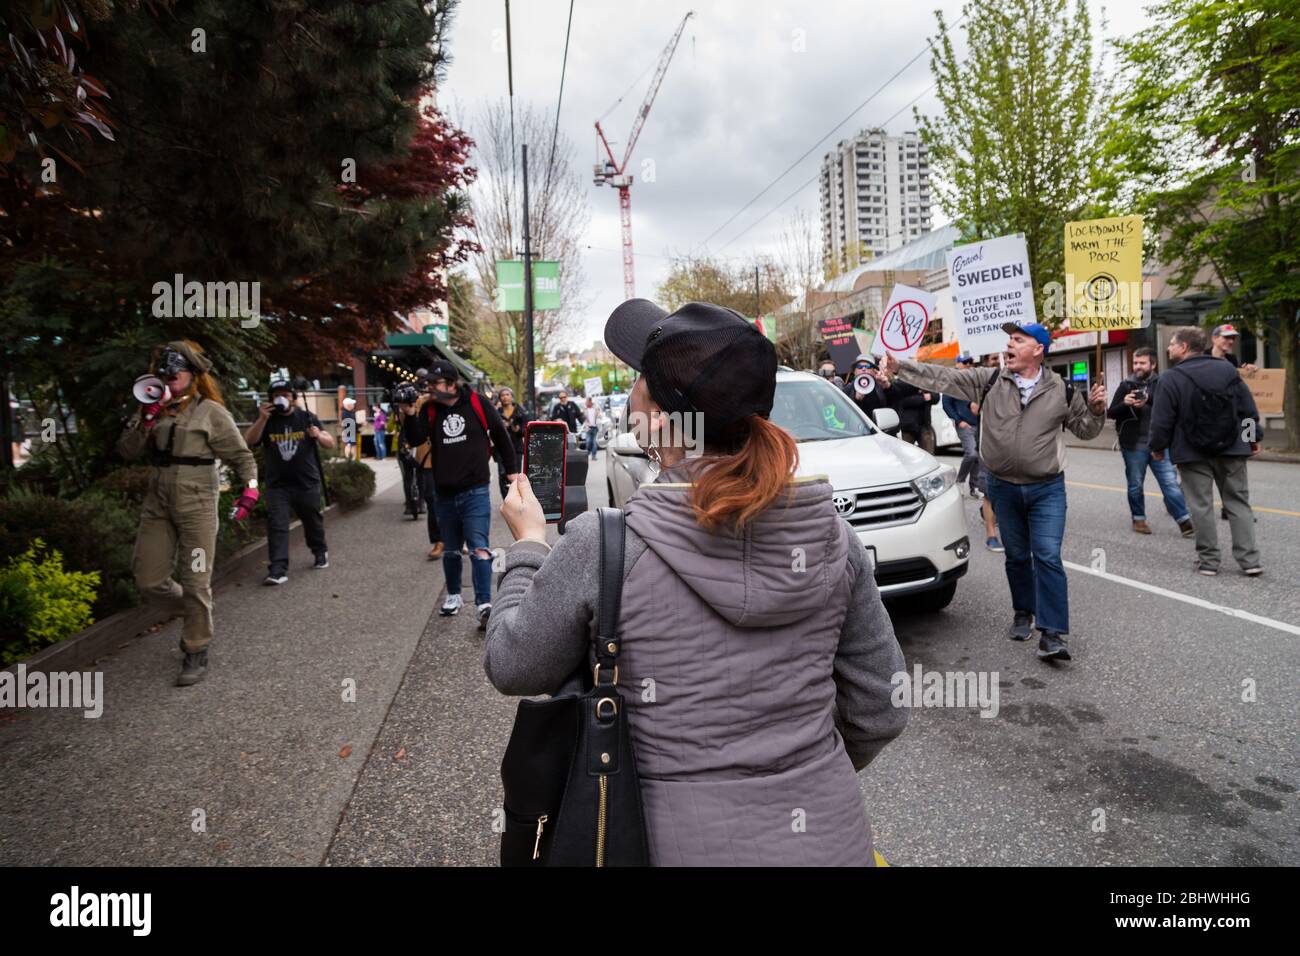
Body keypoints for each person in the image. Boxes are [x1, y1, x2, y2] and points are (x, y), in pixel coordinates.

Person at [486, 298, 907, 866]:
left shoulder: (606, 544)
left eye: (641, 378)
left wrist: (529, 548)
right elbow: (880, 706)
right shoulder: (836, 540)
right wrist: (793, 769)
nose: (634, 389)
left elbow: (513, 664)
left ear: (656, 418)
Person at [882, 321, 1106, 662]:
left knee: (1046, 555)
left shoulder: (1063, 390)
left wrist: (1098, 410)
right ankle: (1022, 613)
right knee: (1017, 556)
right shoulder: (987, 380)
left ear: (1038, 349)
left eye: (1018, 340)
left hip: (1047, 489)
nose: (1010, 345)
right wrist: (902, 367)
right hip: (1002, 486)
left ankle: (1053, 634)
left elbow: (1087, 431)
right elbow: (943, 378)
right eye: (1009, 340)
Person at [116, 341, 258, 686]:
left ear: (193, 376)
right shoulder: (151, 408)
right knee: (148, 578)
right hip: (159, 501)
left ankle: (195, 646)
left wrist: (250, 490)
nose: (169, 379)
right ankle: (196, 611)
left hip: (197, 502)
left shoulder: (210, 412)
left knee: (196, 578)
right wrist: (144, 420)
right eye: (164, 373)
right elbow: (126, 452)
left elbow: (242, 457)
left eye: (176, 373)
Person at [409, 359, 518, 627]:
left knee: (479, 547)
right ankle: (454, 595)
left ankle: (483, 603)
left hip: (475, 490)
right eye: (429, 384)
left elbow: (502, 437)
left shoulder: (477, 403)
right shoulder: (430, 410)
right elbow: (414, 440)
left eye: (435, 384)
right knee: (451, 551)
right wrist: (410, 412)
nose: (431, 389)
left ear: (451, 383)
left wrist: (511, 472)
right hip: (444, 493)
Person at [1147, 326, 1262, 577]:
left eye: (1173, 344)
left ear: (1184, 347)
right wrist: (1252, 439)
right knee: (1238, 503)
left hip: (1191, 452)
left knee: (1201, 506)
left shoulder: (1170, 378)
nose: (1169, 348)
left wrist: (1157, 448)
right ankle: (1249, 560)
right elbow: (1247, 409)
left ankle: (1209, 561)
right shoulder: (1227, 370)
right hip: (1232, 447)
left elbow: (1162, 420)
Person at [243, 377, 335, 585]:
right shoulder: (267, 420)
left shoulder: (307, 418)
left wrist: (317, 435)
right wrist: (262, 419)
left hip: (306, 482)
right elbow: (249, 441)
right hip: (278, 485)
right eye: (276, 396)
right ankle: (277, 568)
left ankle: (320, 551)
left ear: (293, 398)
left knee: (312, 521)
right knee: (277, 524)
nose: (281, 399)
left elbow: (329, 443)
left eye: (285, 395)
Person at [1106, 347, 1194, 538]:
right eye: (1135, 363)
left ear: (1152, 364)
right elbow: (1111, 412)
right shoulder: (1126, 385)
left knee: (1170, 483)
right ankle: (1139, 519)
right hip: (1133, 445)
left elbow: (1174, 407)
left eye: (1142, 363)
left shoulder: (1163, 382)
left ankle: (1184, 521)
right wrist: (1125, 404)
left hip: (1160, 444)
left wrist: (1149, 399)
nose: (1137, 366)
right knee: (1135, 484)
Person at [941, 354, 1001, 552]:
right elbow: (946, 404)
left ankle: (975, 486)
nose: (967, 365)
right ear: (958, 364)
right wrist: (959, 420)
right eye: (964, 362)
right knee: (972, 454)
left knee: (980, 458)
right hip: (965, 424)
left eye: (970, 362)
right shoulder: (955, 382)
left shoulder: (980, 381)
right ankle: (960, 481)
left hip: (982, 425)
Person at [400, 371, 444, 560]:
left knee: (458, 500)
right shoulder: (417, 403)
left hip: (449, 457)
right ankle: (438, 541)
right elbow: (409, 429)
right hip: (426, 459)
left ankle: (459, 540)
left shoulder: (442, 401)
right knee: (432, 501)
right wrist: (408, 407)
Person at [495, 387, 531, 500]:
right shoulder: (496, 413)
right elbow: (492, 430)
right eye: (502, 395)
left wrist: (518, 430)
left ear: (512, 397)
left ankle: (515, 498)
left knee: (515, 475)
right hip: (501, 449)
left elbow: (527, 430)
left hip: (516, 448)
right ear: (500, 398)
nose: (505, 397)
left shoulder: (520, 412)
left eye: (507, 394)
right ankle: (506, 499)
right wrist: (501, 427)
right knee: (502, 474)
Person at [582, 396, 601, 460]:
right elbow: (582, 417)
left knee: (594, 442)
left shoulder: (595, 408)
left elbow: (600, 416)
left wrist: (598, 420)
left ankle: (594, 455)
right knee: (588, 442)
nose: (586, 403)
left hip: (595, 427)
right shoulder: (584, 409)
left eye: (587, 402)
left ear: (590, 402)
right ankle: (588, 451)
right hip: (588, 428)